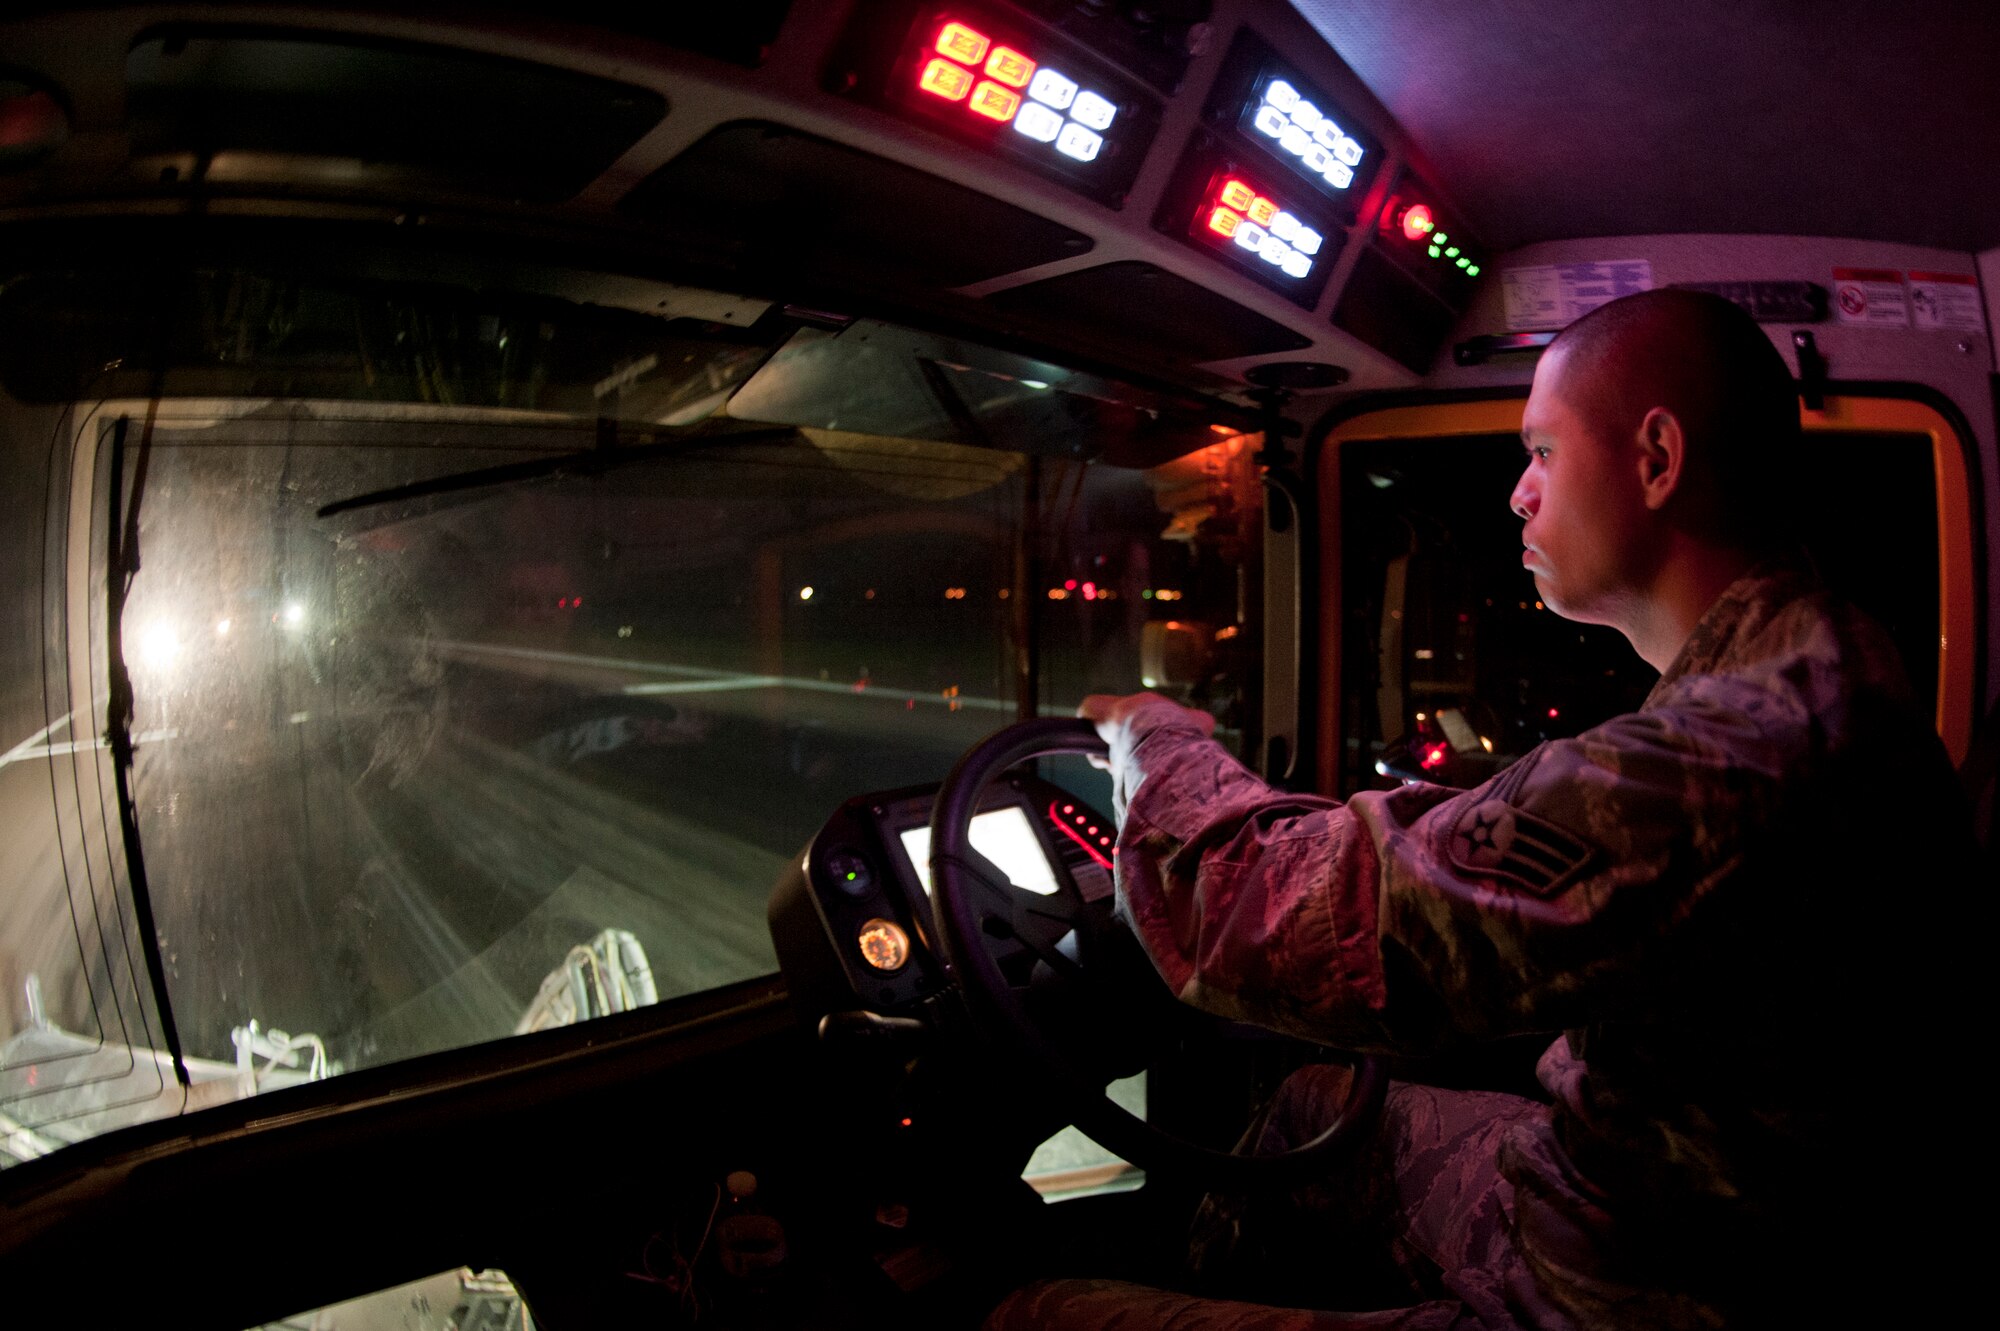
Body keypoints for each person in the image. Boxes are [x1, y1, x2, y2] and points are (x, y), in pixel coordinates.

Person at [987, 290, 1976, 1329]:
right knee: (1306, 1110)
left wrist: (1152, 736)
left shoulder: (1730, 753)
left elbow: (1240, 912)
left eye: (1543, 450)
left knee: (1031, 1312)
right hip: (1634, 1199)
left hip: (1631, 1286)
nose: (1517, 493)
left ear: (1653, 459)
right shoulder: (1821, 652)